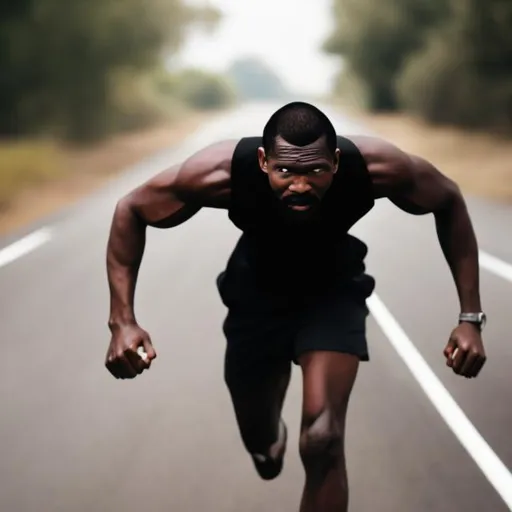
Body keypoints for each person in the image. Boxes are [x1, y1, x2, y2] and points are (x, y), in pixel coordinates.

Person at [104, 101, 487, 512]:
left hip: (331, 291)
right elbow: (132, 208)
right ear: (264, 161)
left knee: (323, 439)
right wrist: (121, 321)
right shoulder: (219, 174)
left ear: (336, 161)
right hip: (254, 296)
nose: (301, 186)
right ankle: (267, 443)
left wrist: (470, 319)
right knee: (260, 438)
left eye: (316, 171)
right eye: (286, 171)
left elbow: (447, 200)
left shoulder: (376, 168)